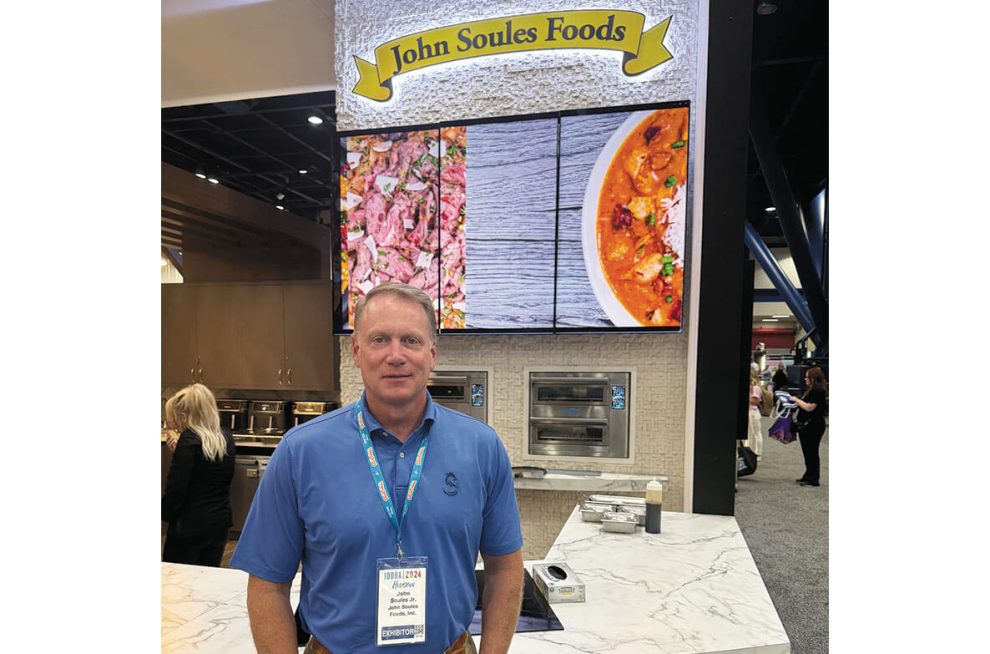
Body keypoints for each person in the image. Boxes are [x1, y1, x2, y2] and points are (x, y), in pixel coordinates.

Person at [231, 282, 524, 654]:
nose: (396, 355)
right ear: (356, 351)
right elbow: (267, 585)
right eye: (379, 339)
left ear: (432, 353)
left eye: (411, 341)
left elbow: (505, 569)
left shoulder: (482, 448)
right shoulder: (300, 452)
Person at [161, 383, 236, 566]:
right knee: (206, 577)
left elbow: (177, 487)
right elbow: (208, 469)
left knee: (179, 581)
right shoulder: (225, 436)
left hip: (189, 524)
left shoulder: (189, 439)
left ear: (185, 414)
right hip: (219, 521)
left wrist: (165, 513)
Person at [789, 366, 828, 487]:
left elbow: (809, 407)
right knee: (807, 451)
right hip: (808, 425)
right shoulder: (811, 390)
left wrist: (795, 399)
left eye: (807, 377)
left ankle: (813, 478)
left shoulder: (818, 391)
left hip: (814, 425)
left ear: (813, 378)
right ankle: (808, 475)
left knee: (812, 451)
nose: (805, 379)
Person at [746, 368, 763, 460]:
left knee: (756, 433)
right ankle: (750, 452)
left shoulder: (755, 388)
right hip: (750, 412)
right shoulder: (752, 387)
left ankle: (758, 453)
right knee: (749, 434)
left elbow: (755, 401)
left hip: (753, 412)